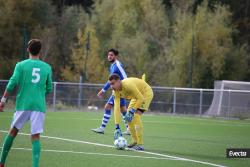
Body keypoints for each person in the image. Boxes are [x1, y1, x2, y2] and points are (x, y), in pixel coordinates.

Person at [0, 39, 52, 167]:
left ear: (28, 49)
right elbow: (49, 88)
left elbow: (12, 84)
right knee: (35, 137)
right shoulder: (47, 67)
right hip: (38, 106)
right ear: (40, 51)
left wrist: (3, 100)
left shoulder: (21, 65)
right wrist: (39, 94)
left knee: (12, 132)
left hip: (23, 104)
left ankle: (1, 163)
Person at [109, 74, 153, 151]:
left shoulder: (128, 85)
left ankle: (140, 144)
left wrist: (132, 111)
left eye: (113, 83)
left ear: (119, 81)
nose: (111, 86)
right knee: (127, 117)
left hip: (145, 93)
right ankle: (135, 141)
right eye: (110, 84)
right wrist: (117, 126)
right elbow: (116, 108)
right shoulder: (115, 91)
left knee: (135, 116)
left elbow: (141, 98)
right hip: (136, 97)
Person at [91, 49, 130, 135]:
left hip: (119, 91)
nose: (109, 56)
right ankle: (129, 129)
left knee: (107, 107)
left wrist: (103, 90)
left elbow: (125, 77)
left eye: (111, 55)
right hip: (118, 91)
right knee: (123, 110)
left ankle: (102, 128)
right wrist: (104, 89)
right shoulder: (112, 66)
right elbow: (111, 80)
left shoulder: (118, 65)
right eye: (108, 55)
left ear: (115, 56)